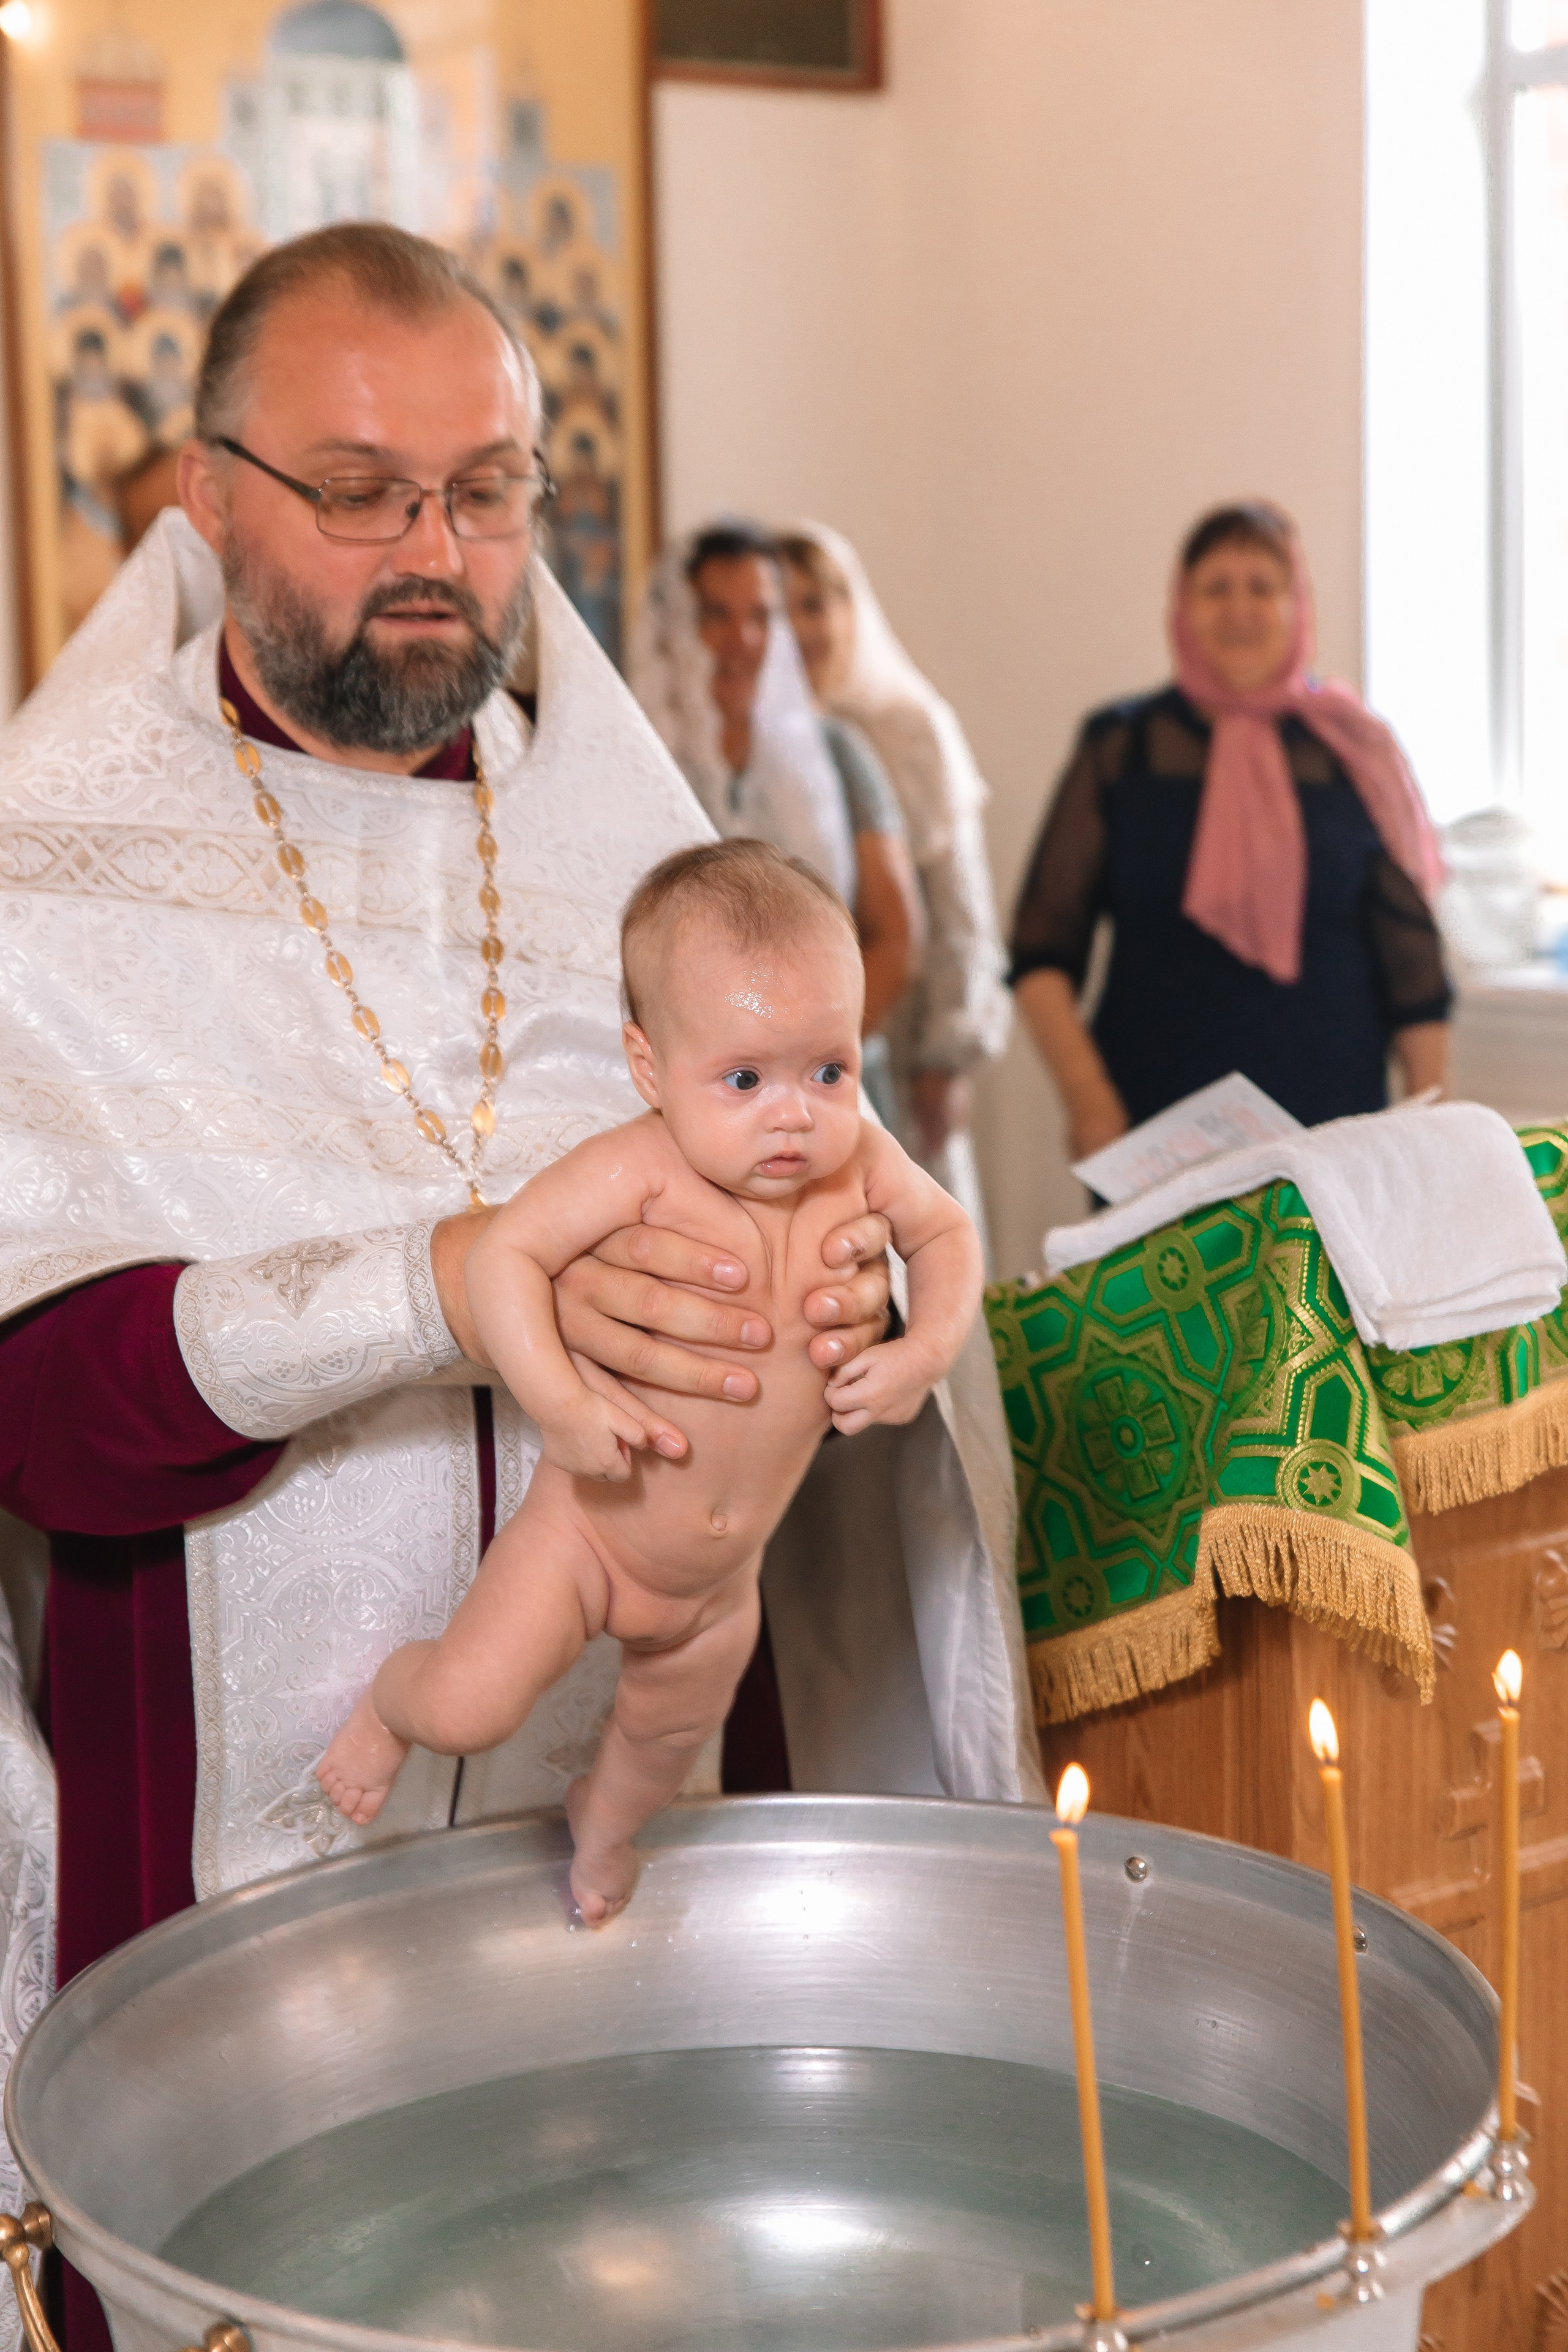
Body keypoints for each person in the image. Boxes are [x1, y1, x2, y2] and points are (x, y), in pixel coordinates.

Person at [0, 224, 1041, 2346]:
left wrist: (855, 1324)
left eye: (487, 491)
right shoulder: (57, 879)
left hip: (637, 1871)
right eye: (363, 488)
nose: (437, 550)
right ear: (207, 494)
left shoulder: (637, 872)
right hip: (222, 1897)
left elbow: (864, 1233)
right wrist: (432, 1285)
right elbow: (35, 1407)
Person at [320, 841, 982, 1922]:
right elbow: (505, 1258)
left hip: (721, 1584)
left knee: (666, 1742)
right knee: (474, 1705)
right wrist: (563, 1404)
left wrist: (921, 1353)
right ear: (648, 1068)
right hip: (586, 1541)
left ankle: (603, 1831)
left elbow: (947, 1237)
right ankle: (398, 1703)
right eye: (745, 1079)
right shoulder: (639, 1167)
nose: (794, 1113)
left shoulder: (859, 1155)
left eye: (829, 1069)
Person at [1009, 501, 1450, 1161]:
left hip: (1333, 1126)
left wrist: (1431, 1133)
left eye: (1262, 587)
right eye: (1216, 587)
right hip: (1152, 1124)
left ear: (1297, 605)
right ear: (1181, 606)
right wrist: (1087, 1098)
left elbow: (1414, 975)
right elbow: (1040, 950)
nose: (1238, 608)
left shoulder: (1355, 753)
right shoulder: (1121, 749)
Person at [629, 522, 925, 1128]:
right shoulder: (632, 760)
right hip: (686, 1100)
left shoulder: (836, 752)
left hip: (832, 1085)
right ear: (675, 627)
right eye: (715, 615)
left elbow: (895, 934)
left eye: (761, 616)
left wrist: (810, 1065)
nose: (741, 639)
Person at [777, 523, 1011, 1251]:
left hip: (902, 1050)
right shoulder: (758, 744)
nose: (800, 629)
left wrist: (945, 1056)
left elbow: (960, 913)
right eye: (778, 610)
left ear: (852, 611)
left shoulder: (909, 731)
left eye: (816, 604)